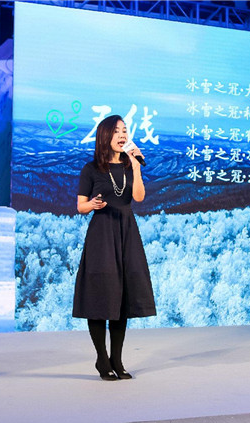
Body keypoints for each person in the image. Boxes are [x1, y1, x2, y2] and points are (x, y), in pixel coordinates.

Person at [73, 114, 157, 381]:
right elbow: (80, 206)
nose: (122, 135)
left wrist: (137, 167)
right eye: (117, 131)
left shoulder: (130, 165)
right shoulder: (91, 169)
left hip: (126, 232)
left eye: (125, 130)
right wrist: (92, 205)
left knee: (123, 297)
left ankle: (117, 360)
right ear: (105, 135)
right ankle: (102, 358)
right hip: (101, 233)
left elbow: (138, 197)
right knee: (101, 295)